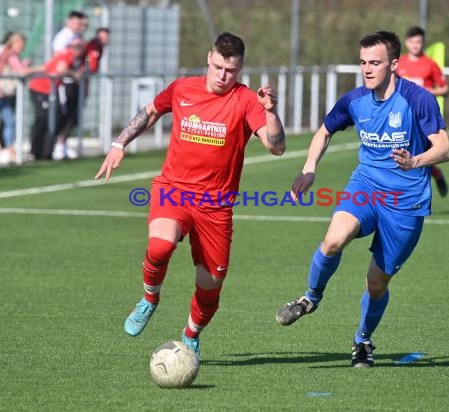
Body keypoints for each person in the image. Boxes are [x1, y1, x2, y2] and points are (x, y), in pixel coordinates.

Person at [95, 32, 285, 356]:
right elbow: (151, 112)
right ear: (208, 58)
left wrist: (269, 111)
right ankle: (149, 298)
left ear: (240, 69)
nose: (223, 76)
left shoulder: (246, 100)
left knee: (211, 281)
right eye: (218, 67)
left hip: (216, 206)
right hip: (175, 191)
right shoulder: (183, 88)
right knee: (160, 245)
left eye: (231, 71)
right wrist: (118, 143)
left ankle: (191, 333)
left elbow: (276, 146)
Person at [275, 31, 449, 367]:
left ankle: (362, 340)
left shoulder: (418, 99)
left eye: (375, 62)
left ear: (394, 65)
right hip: (366, 186)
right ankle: (310, 299)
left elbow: (444, 147)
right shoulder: (354, 100)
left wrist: (415, 161)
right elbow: (325, 130)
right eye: (363, 62)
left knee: (376, 282)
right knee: (333, 239)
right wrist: (310, 168)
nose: (367, 69)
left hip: (406, 202)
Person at [397, 26, 449, 197]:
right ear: (406, 43)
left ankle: (431, 178)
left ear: (423, 43)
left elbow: (445, 89)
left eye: (419, 42)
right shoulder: (399, 63)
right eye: (412, 42)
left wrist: (426, 91)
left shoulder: (430, 64)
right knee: (400, 153)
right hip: (401, 116)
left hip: (423, 117)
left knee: (420, 155)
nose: (415, 45)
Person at [0, 33, 41, 163]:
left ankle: (10, 149)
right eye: (21, 43)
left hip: (3, 93)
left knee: (10, 122)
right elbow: (21, 70)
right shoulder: (10, 54)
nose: (23, 46)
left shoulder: (3, 51)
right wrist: (39, 68)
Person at [28, 38, 85, 160]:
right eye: (74, 46)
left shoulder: (77, 57)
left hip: (52, 90)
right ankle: (36, 151)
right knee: (43, 118)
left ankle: (47, 150)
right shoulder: (67, 55)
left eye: (79, 47)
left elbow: (50, 66)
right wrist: (74, 74)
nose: (76, 49)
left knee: (57, 118)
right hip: (41, 89)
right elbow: (61, 69)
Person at [51, 10, 88, 160]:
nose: (79, 25)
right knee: (65, 113)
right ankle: (57, 144)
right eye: (76, 22)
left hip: (75, 81)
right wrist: (74, 73)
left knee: (74, 115)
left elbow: (86, 58)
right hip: (65, 82)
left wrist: (85, 69)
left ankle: (63, 143)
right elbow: (60, 61)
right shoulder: (63, 38)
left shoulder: (79, 37)